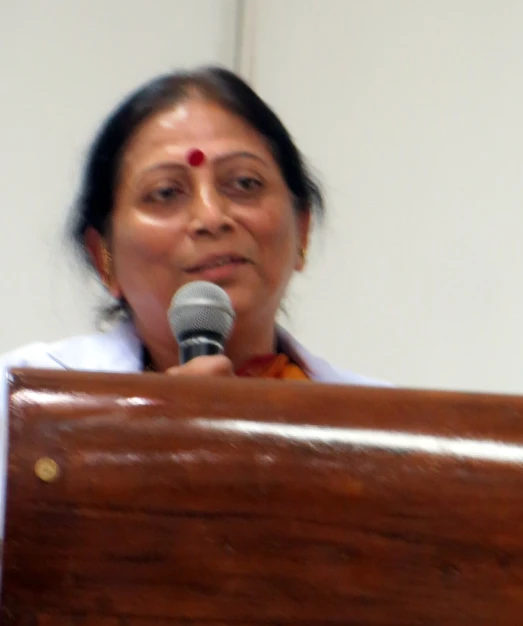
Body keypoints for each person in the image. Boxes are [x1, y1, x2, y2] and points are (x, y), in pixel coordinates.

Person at [0, 65, 388, 532]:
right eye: (165, 193)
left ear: (302, 229)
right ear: (104, 258)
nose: (211, 216)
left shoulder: (386, 427)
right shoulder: (21, 407)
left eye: (244, 183)